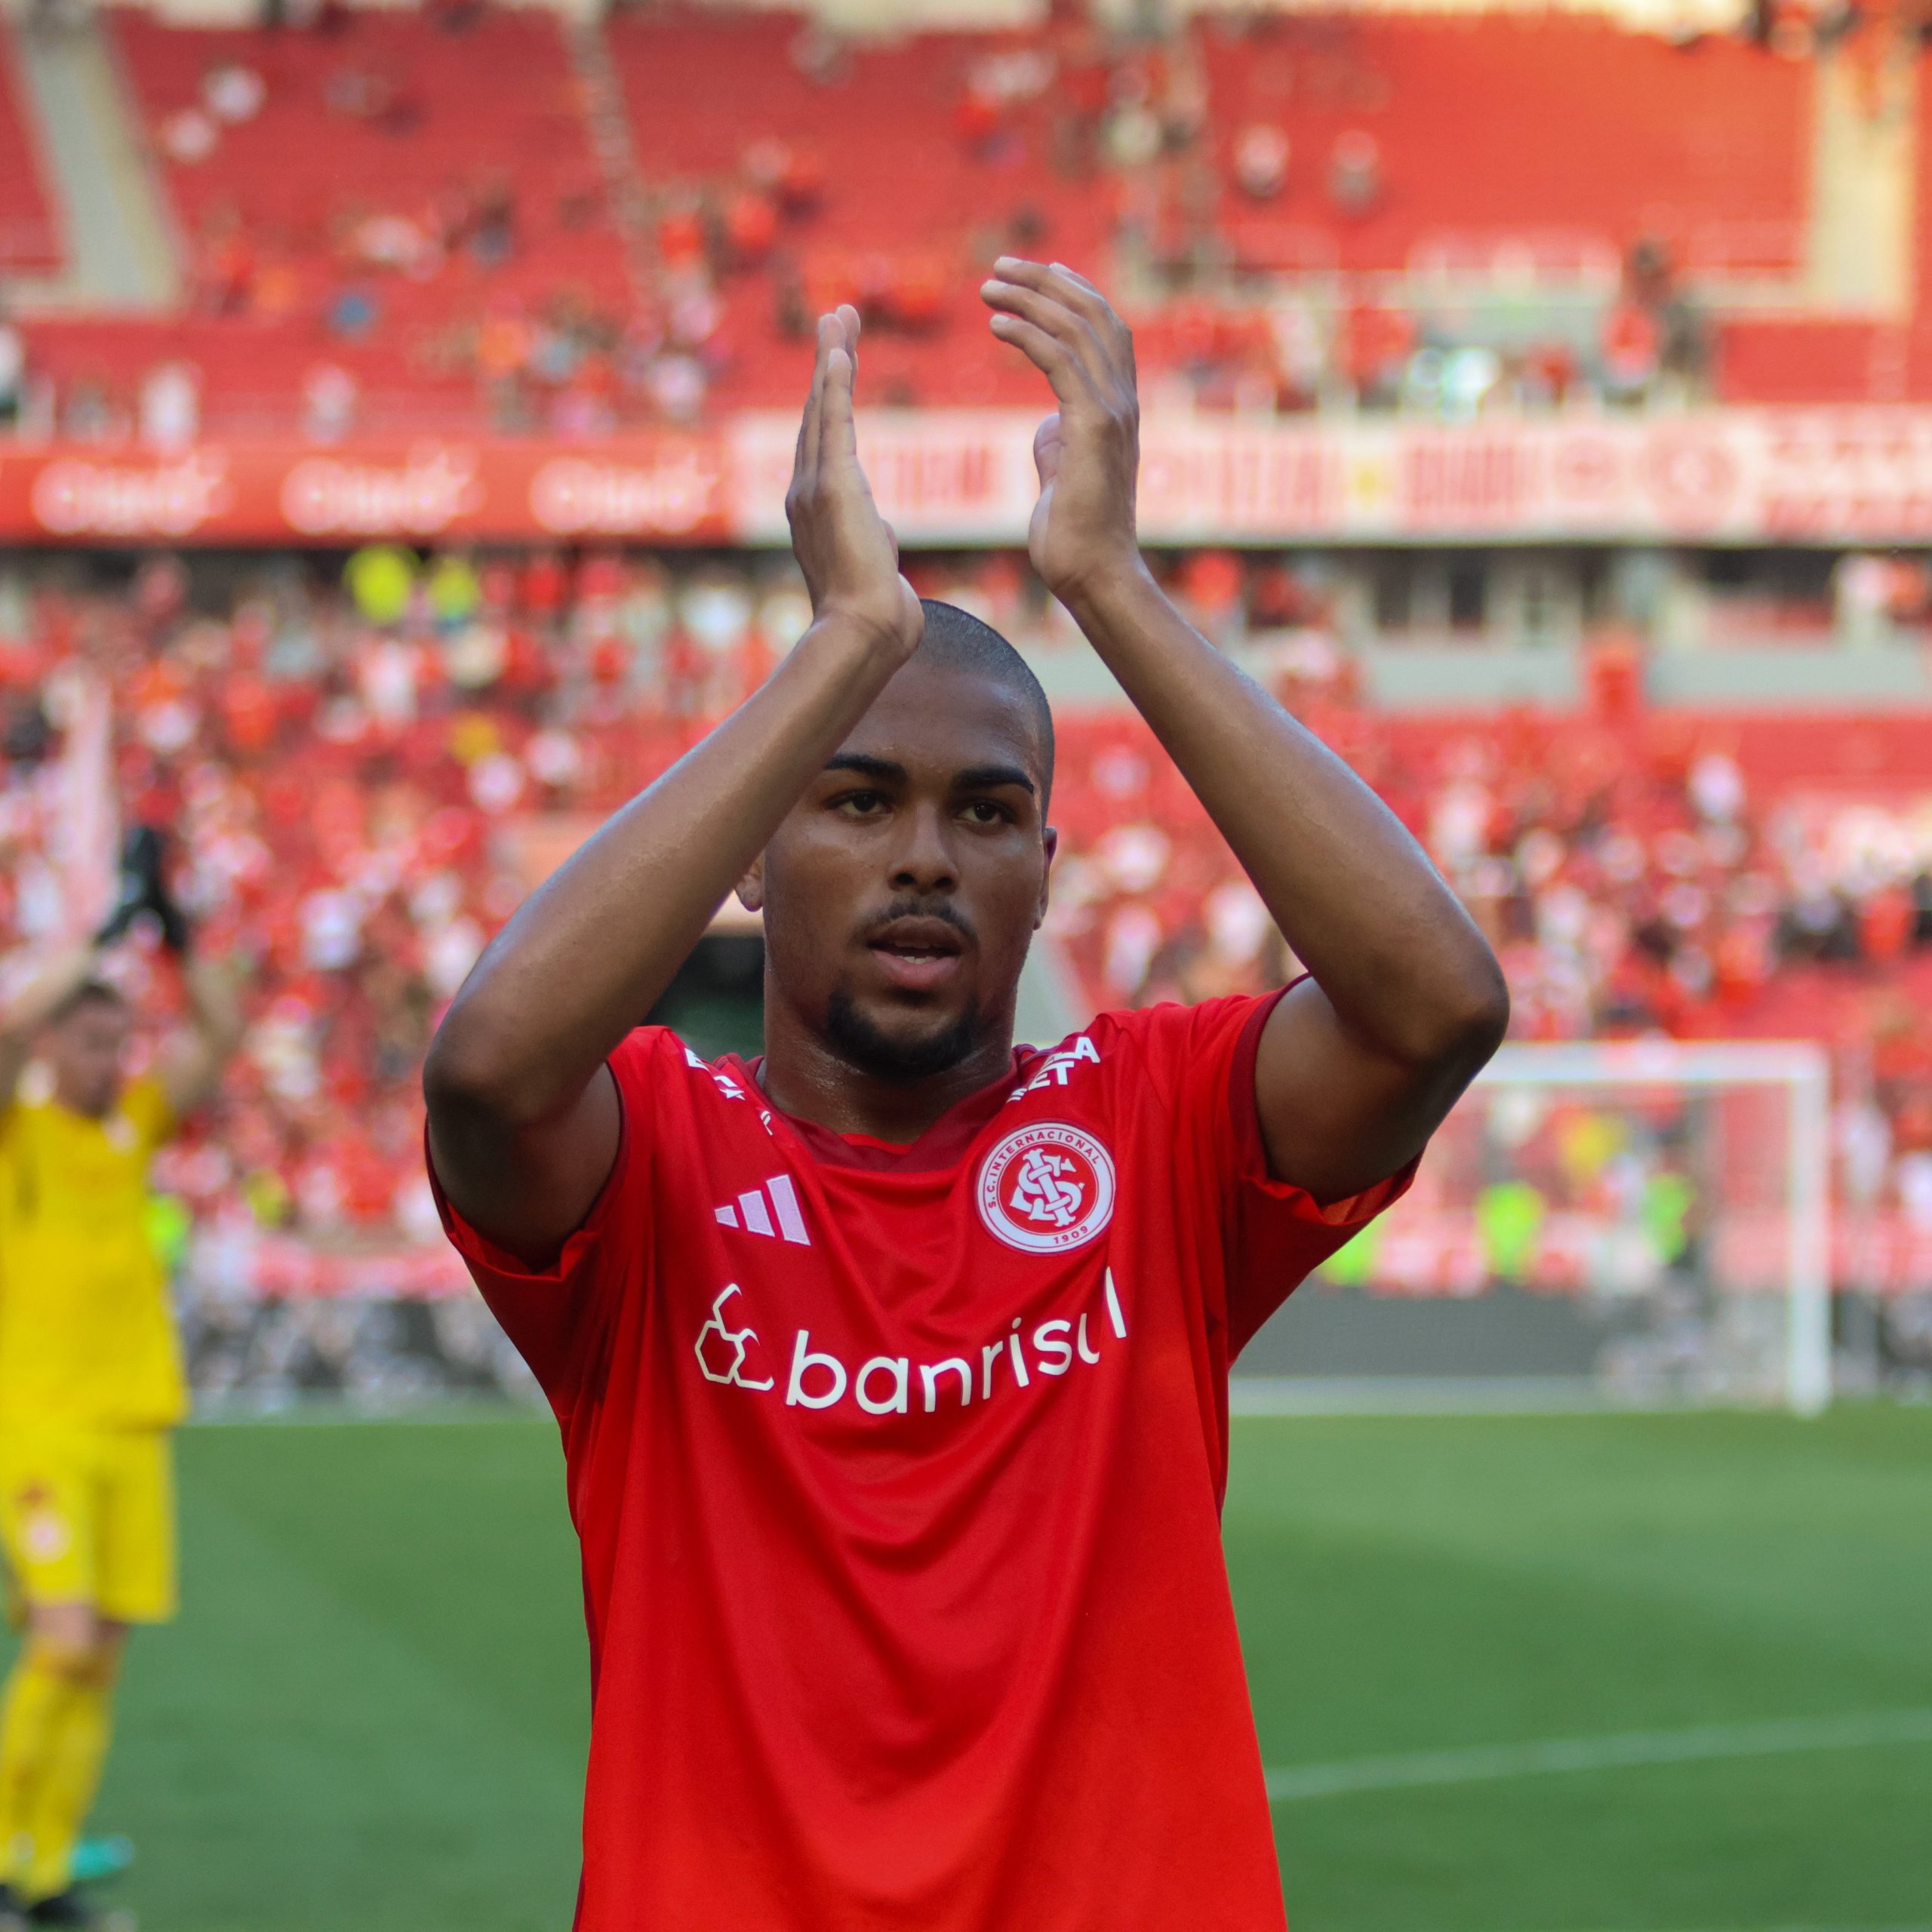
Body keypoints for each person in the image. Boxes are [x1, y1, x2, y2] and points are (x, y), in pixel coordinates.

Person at [423, 262, 1509, 1930]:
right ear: (749, 863)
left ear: (1043, 869)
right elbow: (487, 1068)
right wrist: (847, 638)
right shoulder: (651, 1162)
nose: (925, 854)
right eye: (853, 801)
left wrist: (1109, 584)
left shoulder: (1157, 1128)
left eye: (986, 814)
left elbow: (1434, 1005)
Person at [0, 913, 244, 1928]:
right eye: (88, 1040)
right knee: (60, 1643)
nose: (108, 1059)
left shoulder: (130, 1124)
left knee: (98, 1657)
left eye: (116, 1041)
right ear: (54, 1041)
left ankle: (43, 1871)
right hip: (43, 1429)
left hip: (134, 1428)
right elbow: (8, 1034)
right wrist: (93, 943)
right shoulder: (19, 1131)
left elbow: (221, 1030)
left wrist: (176, 933)